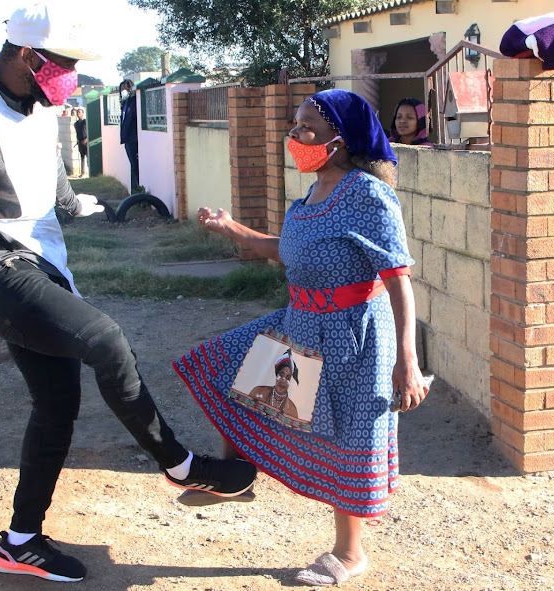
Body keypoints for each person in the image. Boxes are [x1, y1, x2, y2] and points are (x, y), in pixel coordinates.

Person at [0, 2, 255, 584]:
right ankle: (179, 465)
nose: (73, 79)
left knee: (57, 403)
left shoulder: (38, 101)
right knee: (105, 340)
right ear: (28, 56)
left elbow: (54, 191)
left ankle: (20, 541)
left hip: (38, 262)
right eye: (64, 65)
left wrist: (76, 205)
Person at [173, 89, 429, 586]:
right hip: (303, 324)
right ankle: (235, 479)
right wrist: (231, 228)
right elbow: (289, 251)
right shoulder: (309, 195)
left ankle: (350, 553)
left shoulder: (367, 194)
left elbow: (399, 277)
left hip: (356, 340)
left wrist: (407, 359)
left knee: (350, 440)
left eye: (308, 126)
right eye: (295, 123)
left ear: (341, 139)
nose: (296, 134)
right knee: (239, 382)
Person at [249, 351, 299, 418]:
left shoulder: (292, 410)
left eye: (288, 377)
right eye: (281, 374)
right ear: (276, 375)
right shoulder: (257, 392)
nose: (283, 380)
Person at [119, 79, 139, 193]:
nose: (123, 91)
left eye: (125, 88)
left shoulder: (134, 101)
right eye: (122, 89)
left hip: (133, 139)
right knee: (132, 164)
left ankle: (138, 188)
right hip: (127, 140)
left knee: (136, 166)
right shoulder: (125, 104)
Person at [74, 106, 87, 177]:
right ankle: (83, 173)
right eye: (77, 112)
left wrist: (86, 139)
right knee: (82, 158)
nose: (78, 114)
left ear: (83, 113)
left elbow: (88, 131)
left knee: (88, 157)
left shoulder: (85, 122)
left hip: (86, 142)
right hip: (80, 142)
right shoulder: (76, 123)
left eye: (79, 112)